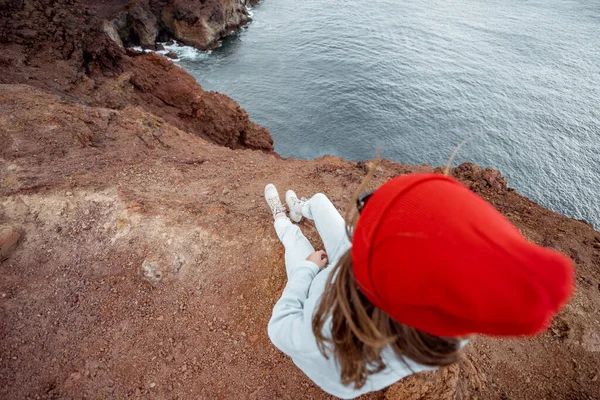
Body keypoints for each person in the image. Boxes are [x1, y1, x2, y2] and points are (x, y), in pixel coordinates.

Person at [264, 171, 574, 399]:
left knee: (298, 246)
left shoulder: (322, 333)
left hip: (332, 286)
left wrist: (309, 269)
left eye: (369, 205)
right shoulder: (445, 330)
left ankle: (282, 219)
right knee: (318, 202)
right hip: (368, 276)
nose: (362, 204)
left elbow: (280, 325)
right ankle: (302, 209)